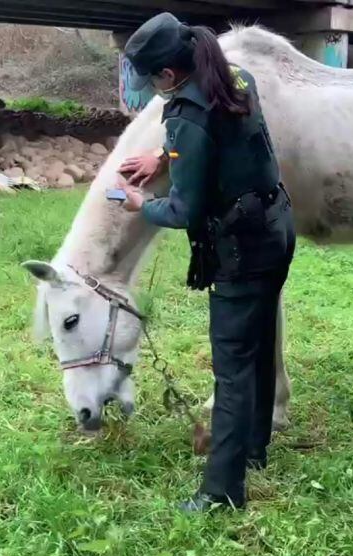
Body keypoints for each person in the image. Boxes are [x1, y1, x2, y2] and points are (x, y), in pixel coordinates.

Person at [114, 12, 296, 513]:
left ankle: (221, 494)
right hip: (276, 227)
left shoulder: (185, 116)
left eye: (154, 81)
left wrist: (136, 204)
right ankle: (253, 448)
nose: (155, 89)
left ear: (168, 77)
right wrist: (164, 157)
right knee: (257, 346)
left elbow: (183, 209)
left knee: (232, 368)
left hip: (240, 248)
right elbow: (218, 141)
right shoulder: (236, 78)